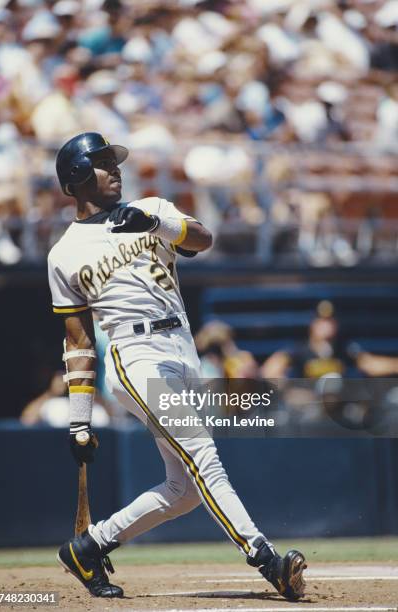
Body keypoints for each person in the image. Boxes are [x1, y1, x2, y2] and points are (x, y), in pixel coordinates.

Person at [48, 132, 306, 600]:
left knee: (184, 489)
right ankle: (265, 558)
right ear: (77, 178)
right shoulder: (63, 253)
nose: (116, 170)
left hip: (183, 347)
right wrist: (79, 421)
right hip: (135, 353)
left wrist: (156, 222)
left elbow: (203, 238)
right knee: (204, 454)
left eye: (113, 161)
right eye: (103, 163)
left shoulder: (151, 207)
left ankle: (89, 547)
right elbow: (79, 342)